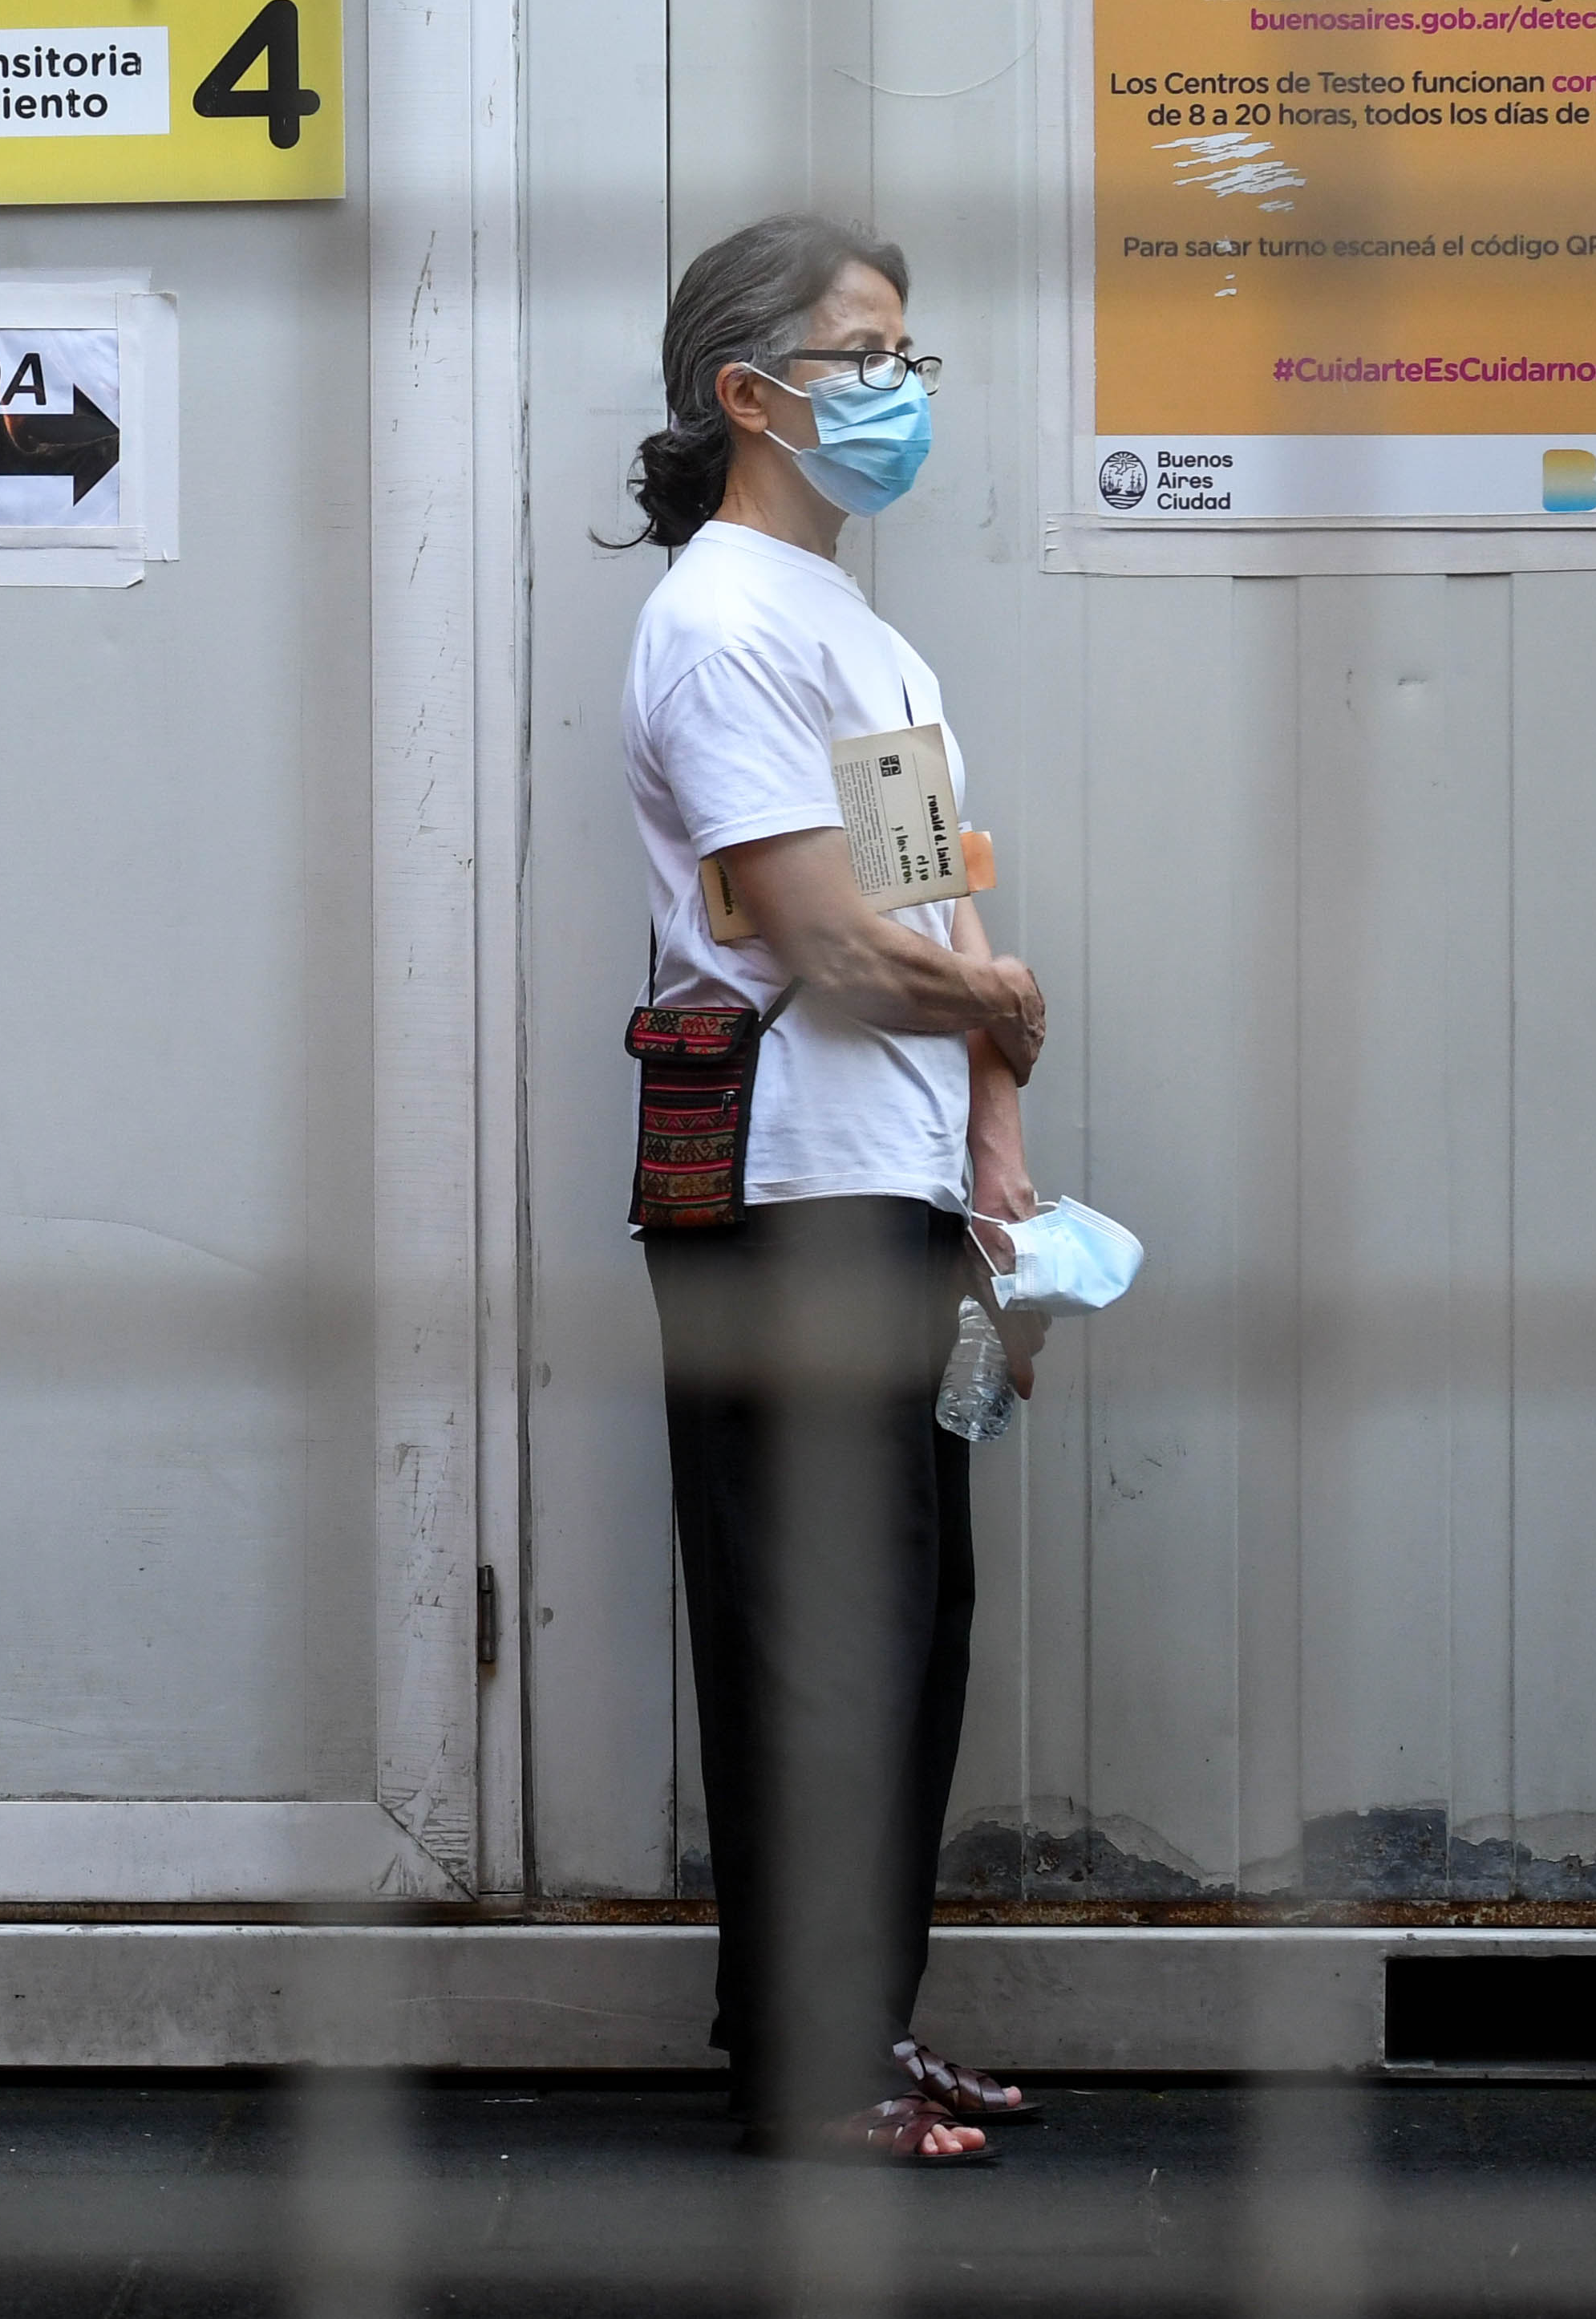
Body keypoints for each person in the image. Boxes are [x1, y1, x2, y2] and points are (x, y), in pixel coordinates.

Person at [616, 216, 1053, 2167]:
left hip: (896, 1189)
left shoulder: (861, 632)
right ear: (750, 392)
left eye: (905, 353)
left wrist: (998, 1175)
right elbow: (826, 937)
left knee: (907, 1615)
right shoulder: (720, 622)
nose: (900, 387)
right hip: (783, 1192)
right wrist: (1001, 998)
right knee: (818, 1623)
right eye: (866, 352)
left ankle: (859, 2023)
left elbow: (923, 904)